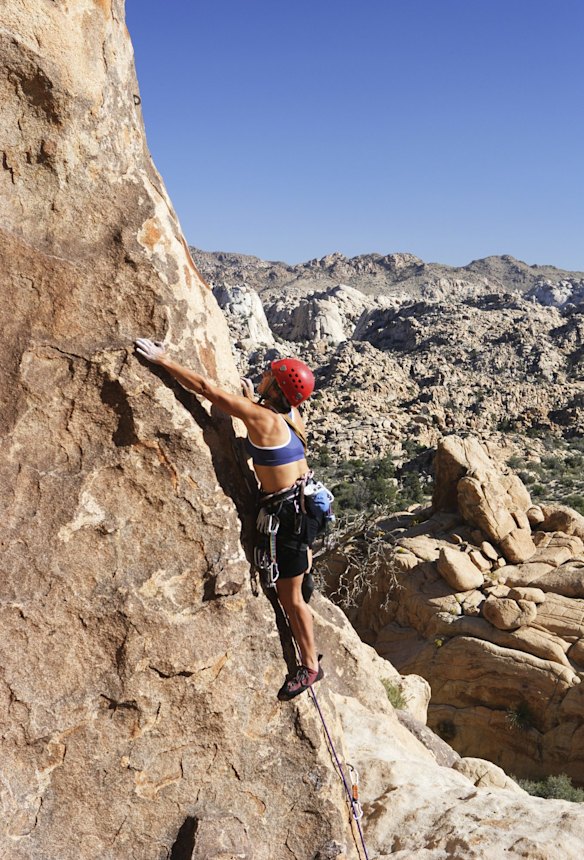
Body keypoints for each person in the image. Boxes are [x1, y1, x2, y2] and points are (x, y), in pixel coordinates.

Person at [135, 338, 324, 701]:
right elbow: (263, 412)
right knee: (299, 576)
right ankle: (304, 581)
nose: (265, 373)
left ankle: (309, 666)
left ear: (278, 387)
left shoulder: (261, 417)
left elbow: (207, 390)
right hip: (306, 508)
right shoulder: (292, 415)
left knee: (291, 599)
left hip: (287, 518)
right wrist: (256, 397)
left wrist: (163, 361)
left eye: (271, 374)